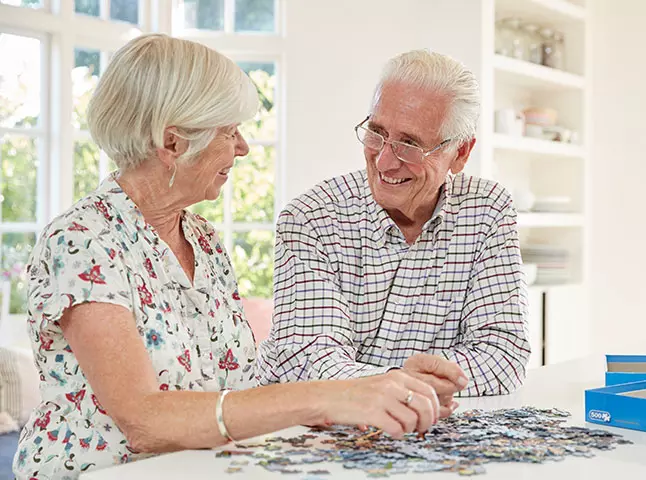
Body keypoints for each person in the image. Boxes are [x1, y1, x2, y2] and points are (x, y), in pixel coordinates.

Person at [13, 34, 441, 480]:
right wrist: (328, 397)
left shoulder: (204, 240)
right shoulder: (81, 240)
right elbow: (145, 421)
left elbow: (236, 393)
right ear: (172, 143)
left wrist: (376, 382)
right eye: (228, 131)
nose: (243, 148)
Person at [256, 50, 531, 407]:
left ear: (461, 153)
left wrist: (387, 384)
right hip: (312, 433)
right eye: (376, 133)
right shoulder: (311, 219)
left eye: (410, 144)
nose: (384, 160)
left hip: (433, 437)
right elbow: (310, 365)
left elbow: (504, 354)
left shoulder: (489, 210)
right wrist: (415, 383)